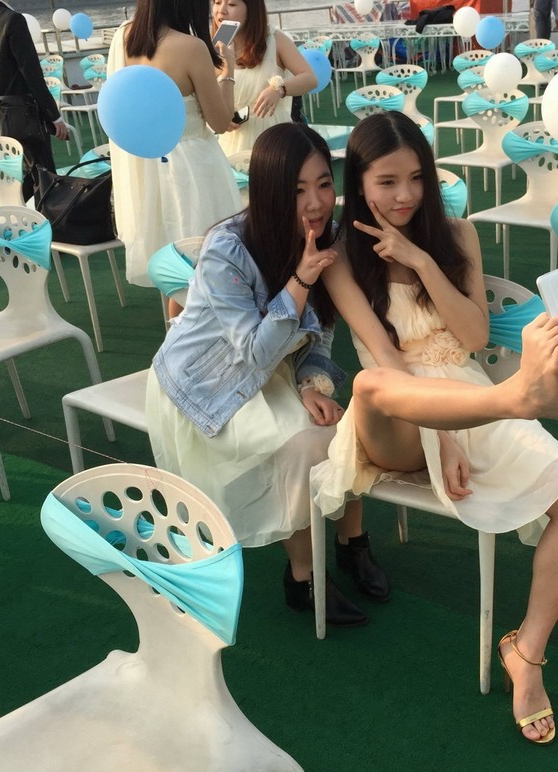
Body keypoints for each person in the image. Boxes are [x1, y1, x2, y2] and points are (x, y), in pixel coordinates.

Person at [312, 112, 558, 744]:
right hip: (395, 414)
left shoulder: (456, 234)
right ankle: (527, 394)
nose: (406, 195)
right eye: (387, 181)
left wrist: (421, 259)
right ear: (357, 183)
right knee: (368, 384)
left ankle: (526, 654)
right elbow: (383, 354)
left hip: (474, 395)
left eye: (417, 177)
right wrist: (439, 435)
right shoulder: (341, 259)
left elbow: (472, 336)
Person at [145, 122, 389, 628]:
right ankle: (303, 576)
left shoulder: (327, 236)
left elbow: (321, 329)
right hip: (207, 383)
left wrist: (311, 382)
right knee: (303, 445)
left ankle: (352, 543)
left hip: (275, 369)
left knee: (347, 425)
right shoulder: (228, 249)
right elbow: (253, 353)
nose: (316, 202)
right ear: (268, 191)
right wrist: (302, 278)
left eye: (324, 183)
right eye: (297, 190)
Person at [108, 0, 241, 287]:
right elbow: (221, 121)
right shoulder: (191, 47)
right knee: (207, 260)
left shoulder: (123, 38)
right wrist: (228, 70)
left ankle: (178, 315)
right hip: (193, 168)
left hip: (148, 167)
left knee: (172, 264)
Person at [0, 0, 69, 201]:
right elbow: (32, 73)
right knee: (44, 175)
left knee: (30, 173)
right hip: (25, 112)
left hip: (1, 112)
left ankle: (10, 206)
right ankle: (45, 218)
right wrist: (54, 116)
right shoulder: (13, 20)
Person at [211, 0, 316, 157]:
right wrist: (219, 117)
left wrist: (279, 90)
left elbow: (310, 78)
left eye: (232, 4)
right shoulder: (212, 46)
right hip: (230, 142)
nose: (222, 10)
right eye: (217, 2)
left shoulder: (275, 39)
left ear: (251, 9)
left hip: (272, 138)